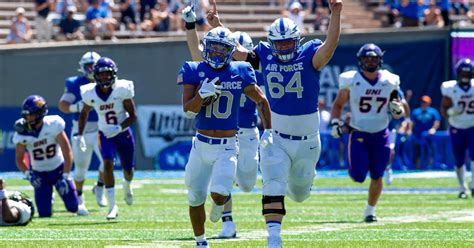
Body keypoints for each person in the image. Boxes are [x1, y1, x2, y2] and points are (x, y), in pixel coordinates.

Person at [206, 0, 342, 246]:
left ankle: (298, 183)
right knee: (273, 183)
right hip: (277, 137)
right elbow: (237, 52)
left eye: (288, 42)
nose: (283, 47)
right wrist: (218, 25)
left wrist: (336, 15)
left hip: (307, 141)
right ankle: (274, 239)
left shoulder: (310, 54)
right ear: (272, 43)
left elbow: (330, 46)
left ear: (297, 40)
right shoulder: (265, 54)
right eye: (279, 43)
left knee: (299, 195)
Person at [177, 26, 272, 247]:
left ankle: (220, 206)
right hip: (200, 145)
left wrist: (268, 131)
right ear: (207, 47)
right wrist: (201, 95)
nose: (218, 52)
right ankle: (201, 241)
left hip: (228, 145)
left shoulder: (241, 71)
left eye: (223, 49)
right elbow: (189, 110)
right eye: (215, 47)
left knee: (219, 194)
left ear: (231, 51)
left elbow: (262, 100)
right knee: (194, 197)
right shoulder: (194, 69)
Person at [330, 43, 405, 223]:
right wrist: (335, 123)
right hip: (359, 133)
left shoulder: (390, 80)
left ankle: (370, 211)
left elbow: (399, 111)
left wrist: (397, 109)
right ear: (360, 60)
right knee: (358, 176)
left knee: (377, 175)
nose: (370, 62)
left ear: (380, 60)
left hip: (381, 133)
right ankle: (364, 186)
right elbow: (338, 104)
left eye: (374, 58)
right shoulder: (351, 79)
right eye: (367, 58)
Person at [78, 57, 137, 220]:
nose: (105, 77)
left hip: (123, 133)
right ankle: (112, 206)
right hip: (105, 135)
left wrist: (119, 127)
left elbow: (133, 116)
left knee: (128, 170)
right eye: (102, 74)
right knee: (107, 164)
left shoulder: (122, 89)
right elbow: (84, 114)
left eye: (107, 74)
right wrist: (80, 135)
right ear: (96, 75)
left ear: (114, 74)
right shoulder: (90, 93)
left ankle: (127, 185)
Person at [13, 95, 79, 217]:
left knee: (73, 207)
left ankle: (70, 189)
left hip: (58, 169)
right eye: (27, 115)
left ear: (40, 113)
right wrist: (29, 175)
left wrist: (65, 175)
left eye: (32, 114)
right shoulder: (22, 133)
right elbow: (19, 158)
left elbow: (67, 151)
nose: (29, 117)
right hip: (39, 174)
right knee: (44, 213)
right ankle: (49, 196)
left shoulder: (53, 124)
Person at [58, 51, 106, 215]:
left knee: (108, 162)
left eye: (95, 66)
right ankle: (79, 200)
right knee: (80, 169)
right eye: (89, 66)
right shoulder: (74, 83)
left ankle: (99, 186)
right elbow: (63, 105)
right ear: (82, 67)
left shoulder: (108, 81)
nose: (92, 69)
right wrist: (77, 107)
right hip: (82, 131)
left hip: (101, 128)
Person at [440, 58, 474, 199]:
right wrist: (451, 111)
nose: (465, 76)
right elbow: (443, 110)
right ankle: (462, 187)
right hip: (457, 127)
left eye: (467, 74)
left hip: (472, 126)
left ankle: (473, 185)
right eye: (463, 73)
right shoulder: (450, 87)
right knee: (459, 158)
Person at [410, 95, 441, 169]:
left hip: (429, 136)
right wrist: (409, 130)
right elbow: (412, 123)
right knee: (417, 152)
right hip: (418, 136)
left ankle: (430, 167)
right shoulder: (416, 111)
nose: (424, 103)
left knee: (430, 151)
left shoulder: (433, 111)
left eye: (425, 102)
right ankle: (417, 168)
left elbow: (437, 122)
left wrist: (433, 129)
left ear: (429, 103)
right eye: (422, 102)